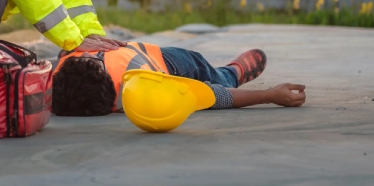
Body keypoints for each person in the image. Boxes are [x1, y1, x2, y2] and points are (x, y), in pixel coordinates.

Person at [51, 42, 306, 116]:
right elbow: (210, 96)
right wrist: (270, 95)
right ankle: (230, 73)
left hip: (162, 57)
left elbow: (212, 95)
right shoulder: (140, 90)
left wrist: (270, 95)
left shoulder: (146, 84)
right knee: (208, 77)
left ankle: (229, 73)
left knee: (205, 70)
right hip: (154, 59)